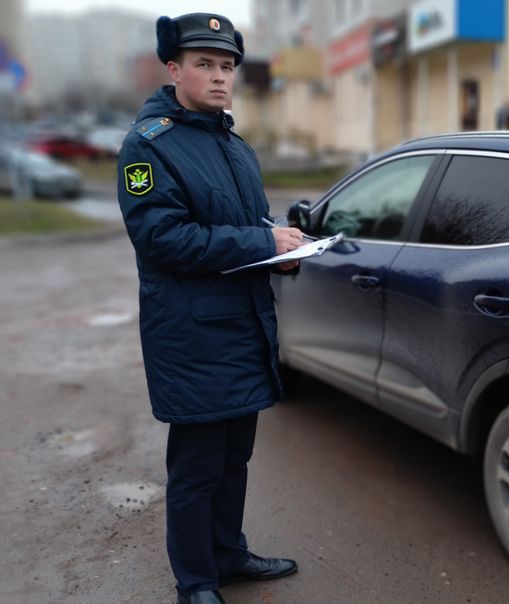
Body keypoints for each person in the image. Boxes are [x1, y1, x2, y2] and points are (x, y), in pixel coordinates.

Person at [117, 13, 303, 604]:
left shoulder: (233, 145)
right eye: (205, 64)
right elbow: (162, 239)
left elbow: (249, 227)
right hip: (193, 337)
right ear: (173, 69)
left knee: (235, 458)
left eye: (227, 66)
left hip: (243, 326)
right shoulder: (149, 147)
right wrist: (259, 243)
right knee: (197, 469)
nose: (220, 77)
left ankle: (229, 555)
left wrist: (279, 249)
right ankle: (196, 581)